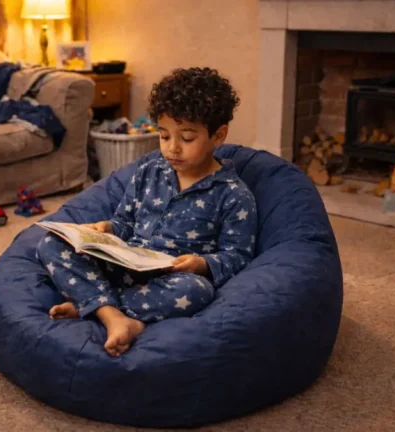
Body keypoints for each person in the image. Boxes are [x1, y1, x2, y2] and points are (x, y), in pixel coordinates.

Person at [37, 67, 258, 357]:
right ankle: (110, 313)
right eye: (164, 136)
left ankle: (95, 306)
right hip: (122, 266)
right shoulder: (149, 172)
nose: (172, 148)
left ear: (218, 135)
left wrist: (202, 264)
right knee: (50, 244)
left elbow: (238, 255)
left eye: (187, 138)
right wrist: (108, 229)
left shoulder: (233, 194)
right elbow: (125, 222)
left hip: (167, 280)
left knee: (196, 292)